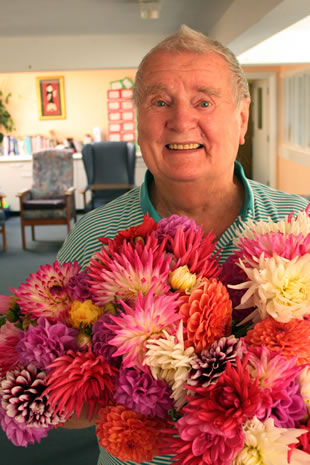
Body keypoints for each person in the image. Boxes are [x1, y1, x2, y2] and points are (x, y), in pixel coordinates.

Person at [57, 24, 309, 465]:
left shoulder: (300, 224)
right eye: (160, 102)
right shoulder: (92, 237)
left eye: (204, 101)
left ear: (242, 119)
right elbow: (56, 402)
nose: (180, 121)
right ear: (139, 120)